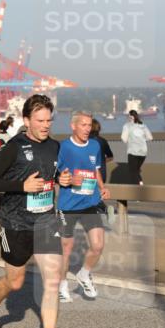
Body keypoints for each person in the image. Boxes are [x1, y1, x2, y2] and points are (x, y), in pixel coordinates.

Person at [0, 94, 74, 328]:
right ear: (27, 120)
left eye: (49, 121)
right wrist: (21, 186)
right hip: (15, 224)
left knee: (52, 280)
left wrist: (62, 179)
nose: (45, 125)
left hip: (45, 222)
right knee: (15, 282)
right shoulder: (13, 148)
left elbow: (52, 174)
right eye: (40, 121)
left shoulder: (55, 147)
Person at [57, 111, 110, 303]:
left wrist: (102, 188)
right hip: (68, 205)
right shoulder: (63, 147)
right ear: (73, 126)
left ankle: (84, 274)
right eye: (83, 125)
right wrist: (68, 179)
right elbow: (56, 173)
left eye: (89, 125)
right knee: (66, 248)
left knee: (98, 245)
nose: (87, 129)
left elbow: (95, 170)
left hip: (90, 202)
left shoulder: (95, 145)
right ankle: (62, 285)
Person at [90, 118, 115, 221]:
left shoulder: (86, 141)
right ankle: (102, 211)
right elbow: (110, 157)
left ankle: (104, 209)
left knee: (88, 195)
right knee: (93, 195)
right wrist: (102, 162)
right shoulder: (103, 141)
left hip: (91, 173)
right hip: (102, 172)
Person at [121, 109, 153, 185]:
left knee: (133, 171)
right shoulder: (143, 125)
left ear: (130, 116)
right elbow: (150, 138)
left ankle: (140, 184)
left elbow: (124, 139)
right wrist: (141, 139)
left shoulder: (127, 126)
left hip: (133, 152)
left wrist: (131, 140)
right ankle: (139, 184)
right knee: (136, 170)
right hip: (143, 153)